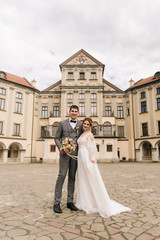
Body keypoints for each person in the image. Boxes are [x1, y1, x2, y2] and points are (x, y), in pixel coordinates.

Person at [76, 117, 131, 218]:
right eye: (84, 124)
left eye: (88, 124)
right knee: (82, 178)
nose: (85, 125)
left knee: (90, 178)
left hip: (86, 157)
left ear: (90, 126)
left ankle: (93, 202)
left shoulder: (90, 134)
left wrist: (91, 158)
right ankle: (84, 201)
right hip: (80, 158)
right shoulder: (82, 134)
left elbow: (90, 148)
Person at [53, 105, 83, 213]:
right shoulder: (62, 123)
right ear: (69, 112)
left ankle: (70, 202)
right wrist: (60, 147)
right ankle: (56, 203)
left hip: (75, 155)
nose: (74, 113)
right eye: (72, 111)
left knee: (72, 177)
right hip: (64, 154)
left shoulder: (80, 124)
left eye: (76, 111)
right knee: (62, 175)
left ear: (78, 113)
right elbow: (56, 138)